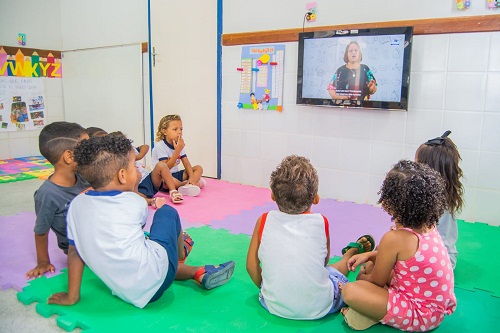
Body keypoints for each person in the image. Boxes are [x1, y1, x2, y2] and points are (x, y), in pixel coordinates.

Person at [47, 135, 235, 308]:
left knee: (144, 245)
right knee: (166, 212)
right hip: (159, 279)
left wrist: (72, 296)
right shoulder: (135, 202)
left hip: (124, 291)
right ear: (122, 176)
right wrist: (135, 187)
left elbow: (74, 252)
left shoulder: (76, 204)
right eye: (133, 166)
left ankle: (195, 270)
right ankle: (180, 254)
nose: (138, 170)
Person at [246, 155, 375, 320]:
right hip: (322, 306)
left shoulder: (263, 220)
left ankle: (350, 254)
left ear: (272, 195)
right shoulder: (321, 222)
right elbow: (323, 262)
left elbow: (251, 266)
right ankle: (350, 254)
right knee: (332, 271)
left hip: (272, 305)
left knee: (324, 271)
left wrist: (268, 288)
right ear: (316, 198)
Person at [340, 160, 457, 331]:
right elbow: (408, 264)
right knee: (378, 255)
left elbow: (376, 282)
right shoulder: (429, 226)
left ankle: (369, 314)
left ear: (392, 201)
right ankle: (373, 307)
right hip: (432, 307)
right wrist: (370, 255)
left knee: (351, 290)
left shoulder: (394, 238)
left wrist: (361, 278)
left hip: (420, 315)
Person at [25, 122, 91, 279]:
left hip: (95, 234)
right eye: (87, 148)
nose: (92, 152)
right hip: (80, 248)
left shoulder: (83, 177)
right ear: (69, 157)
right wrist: (43, 262)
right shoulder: (47, 194)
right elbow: (41, 231)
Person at [415, 130, 464, 269]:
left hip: (438, 261)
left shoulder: (434, 201)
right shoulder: (443, 193)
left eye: (417, 163)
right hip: (442, 256)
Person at [108, 131, 182, 205]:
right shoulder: (116, 164)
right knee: (133, 197)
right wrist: (135, 182)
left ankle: (174, 191)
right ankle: (152, 201)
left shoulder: (131, 151)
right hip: (137, 189)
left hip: (147, 179)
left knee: (161, 166)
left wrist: (138, 156)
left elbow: (145, 146)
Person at [151, 114, 205, 198]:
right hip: (163, 178)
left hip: (175, 174)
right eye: (175, 129)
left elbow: (186, 163)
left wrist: (191, 177)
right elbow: (165, 168)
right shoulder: (160, 147)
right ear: (165, 132)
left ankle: (189, 184)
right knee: (167, 182)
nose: (179, 132)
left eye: (181, 129)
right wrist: (177, 151)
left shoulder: (179, 144)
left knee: (199, 168)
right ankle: (185, 185)